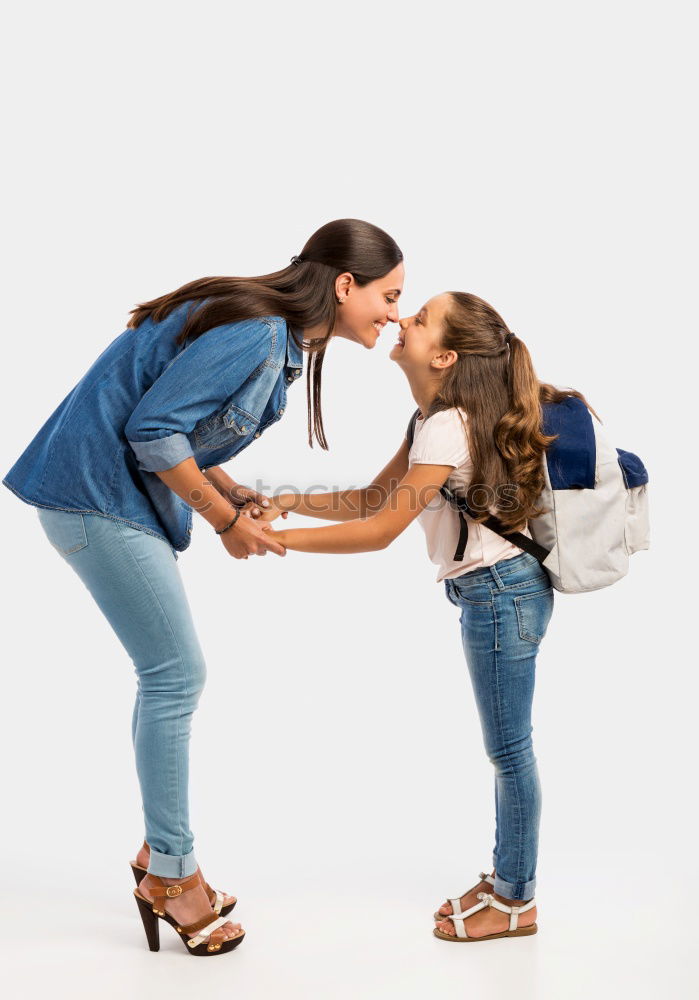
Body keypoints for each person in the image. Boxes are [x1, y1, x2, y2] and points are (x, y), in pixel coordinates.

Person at [2, 218, 404, 957]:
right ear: (344, 285)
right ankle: (173, 877)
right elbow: (152, 434)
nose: (396, 314)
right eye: (389, 294)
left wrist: (230, 488)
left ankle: (164, 860)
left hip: (101, 499)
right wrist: (224, 521)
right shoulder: (258, 333)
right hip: (95, 498)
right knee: (174, 675)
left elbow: (177, 428)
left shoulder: (270, 333)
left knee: (167, 676)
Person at [256, 291, 596, 943]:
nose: (400, 320)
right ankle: (506, 880)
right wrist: (284, 505)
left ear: (442, 355)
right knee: (508, 748)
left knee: (509, 750)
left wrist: (277, 540)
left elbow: (382, 528)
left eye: (417, 320)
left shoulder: (445, 425)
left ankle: (515, 899)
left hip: (500, 594)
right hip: (498, 592)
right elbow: (371, 497)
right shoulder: (431, 419)